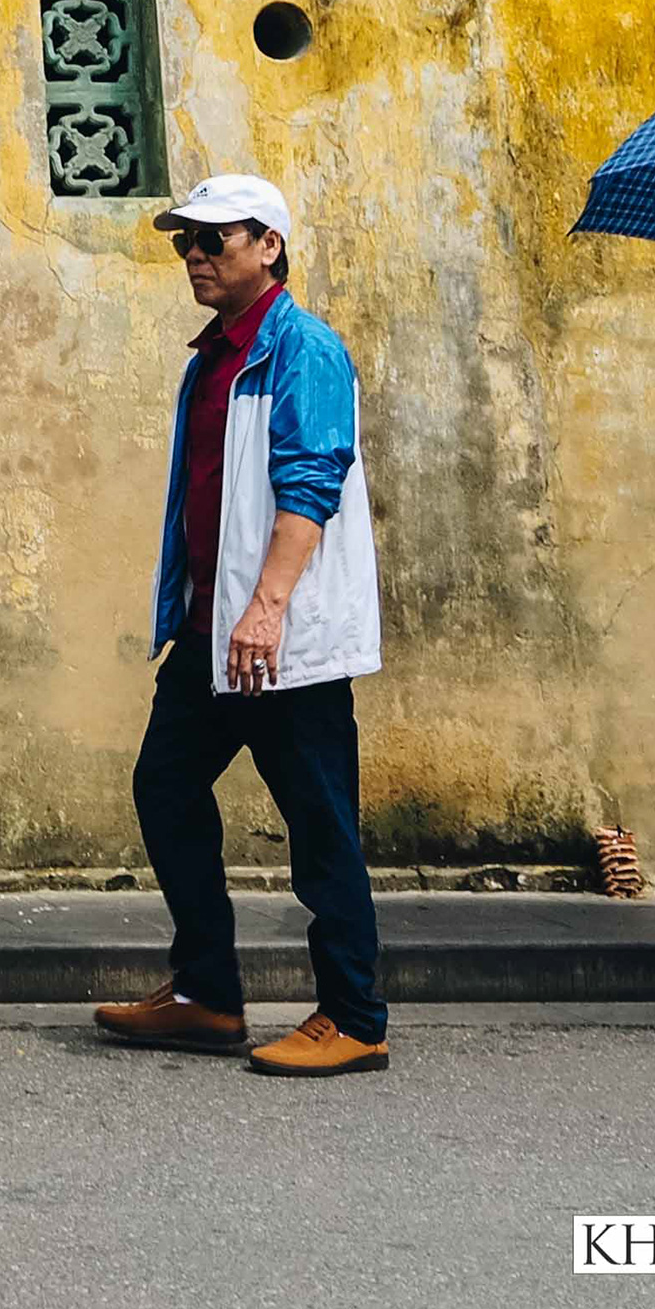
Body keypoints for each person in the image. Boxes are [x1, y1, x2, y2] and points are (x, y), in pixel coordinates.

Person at [93, 172, 392, 1078]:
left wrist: (267, 610)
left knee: (319, 827)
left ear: (268, 246)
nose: (194, 256)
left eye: (213, 241)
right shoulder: (211, 358)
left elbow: (311, 485)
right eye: (186, 241)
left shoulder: (302, 349)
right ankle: (208, 995)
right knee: (165, 789)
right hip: (208, 631)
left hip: (278, 640)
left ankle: (355, 1016)